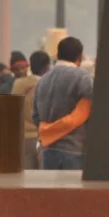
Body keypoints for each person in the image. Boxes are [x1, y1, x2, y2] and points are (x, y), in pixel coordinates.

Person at [33, 37, 93, 170]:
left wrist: (49, 132)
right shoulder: (83, 78)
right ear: (79, 56)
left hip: (48, 150)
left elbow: (35, 117)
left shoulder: (42, 81)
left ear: (58, 54)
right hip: (74, 149)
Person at [12, 51, 50, 169]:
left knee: (25, 174)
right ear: (46, 68)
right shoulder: (47, 85)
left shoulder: (18, 84)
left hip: (21, 136)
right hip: (40, 136)